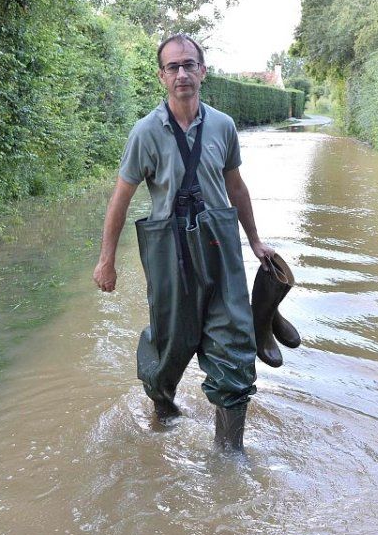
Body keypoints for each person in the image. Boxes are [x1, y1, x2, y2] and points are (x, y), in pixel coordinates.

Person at [92, 33, 273, 453]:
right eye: (173, 67)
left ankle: (229, 457)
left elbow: (236, 188)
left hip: (220, 251)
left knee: (233, 345)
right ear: (161, 77)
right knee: (169, 348)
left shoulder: (224, 126)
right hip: (169, 254)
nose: (182, 74)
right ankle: (164, 412)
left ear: (203, 71)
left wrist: (256, 241)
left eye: (189, 64)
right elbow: (120, 198)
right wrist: (107, 261)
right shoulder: (145, 133)